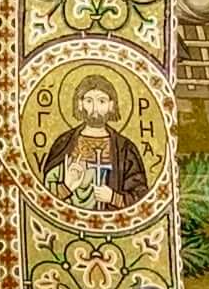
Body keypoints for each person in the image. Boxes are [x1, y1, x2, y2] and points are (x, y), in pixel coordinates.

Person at [41, 75, 152, 211]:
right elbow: (44, 194)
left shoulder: (124, 148)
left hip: (111, 224)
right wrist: (66, 186)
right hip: (69, 219)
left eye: (101, 101)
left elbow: (141, 196)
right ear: (80, 104)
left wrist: (113, 197)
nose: (95, 109)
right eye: (89, 101)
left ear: (111, 105)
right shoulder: (64, 143)